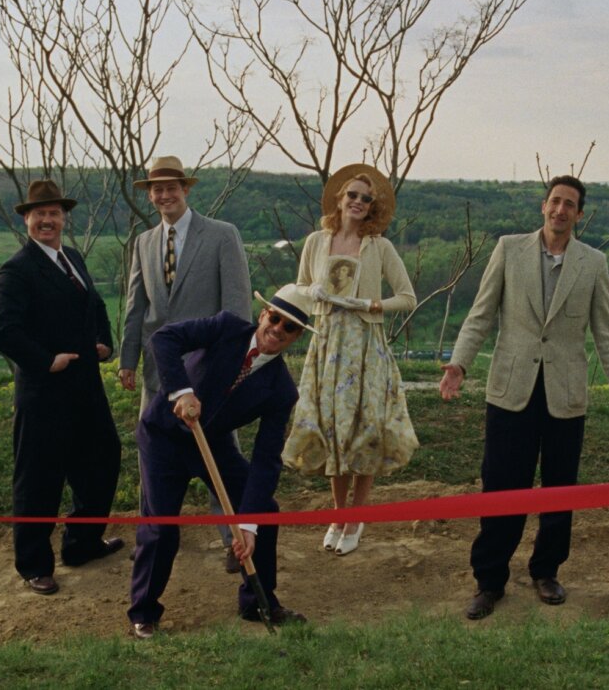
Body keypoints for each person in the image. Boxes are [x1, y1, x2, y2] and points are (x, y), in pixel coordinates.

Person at [439, 175, 609, 620]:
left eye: (570, 204)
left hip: (565, 396)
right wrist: (459, 363)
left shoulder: (593, 263)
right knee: (501, 487)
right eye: (554, 201)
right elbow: (481, 313)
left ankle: (546, 571)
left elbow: (606, 332)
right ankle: (490, 581)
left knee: (559, 488)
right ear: (543, 206)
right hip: (511, 391)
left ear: (579, 214)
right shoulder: (509, 249)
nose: (560, 210)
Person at [127, 284, 314, 639]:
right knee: (162, 524)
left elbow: (265, 460)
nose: (279, 329)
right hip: (164, 435)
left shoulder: (282, 391)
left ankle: (257, 602)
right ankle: (144, 611)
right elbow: (165, 339)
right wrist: (182, 392)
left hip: (212, 444)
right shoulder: (227, 327)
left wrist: (248, 525)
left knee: (264, 513)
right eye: (276, 318)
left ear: (297, 336)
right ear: (263, 314)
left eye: (290, 327)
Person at [0, 179, 124, 596]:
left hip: (85, 388)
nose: (47, 220)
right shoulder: (18, 269)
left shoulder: (73, 258)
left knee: (102, 460)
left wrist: (104, 343)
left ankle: (82, 544)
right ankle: (33, 565)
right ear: (27, 219)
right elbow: (1, 331)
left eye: (54, 213)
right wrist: (47, 360)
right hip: (44, 393)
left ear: (64, 217)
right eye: (39, 214)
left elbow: (96, 306)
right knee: (39, 479)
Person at [118, 154, 252, 573]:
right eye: (156, 189)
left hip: (207, 370)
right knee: (150, 452)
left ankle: (235, 539)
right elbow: (136, 305)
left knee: (220, 455)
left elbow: (237, 307)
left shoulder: (221, 235)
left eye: (170, 187)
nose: (163, 195)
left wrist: (235, 366)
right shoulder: (143, 242)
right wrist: (127, 358)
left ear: (186, 189)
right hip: (159, 371)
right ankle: (151, 537)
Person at [282, 164, 419, 556]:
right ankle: (338, 515)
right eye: (352, 196)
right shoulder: (315, 242)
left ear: (372, 206)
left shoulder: (380, 247)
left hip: (365, 346)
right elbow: (301, 287)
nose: (357, 202)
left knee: (363, 429)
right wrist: (317, 294)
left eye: (365, 198)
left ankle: (357, 517)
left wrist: (370, 303)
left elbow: (407, 297)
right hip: (326, 344)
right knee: (331, 429)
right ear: (339, 201)